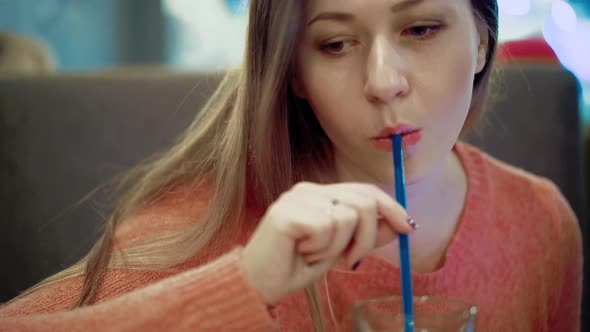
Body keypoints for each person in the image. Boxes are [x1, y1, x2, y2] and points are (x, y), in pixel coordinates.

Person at [0, 0, 582, 331]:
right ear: (295, 73)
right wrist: (246, 284)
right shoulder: (199, 226)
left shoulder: (542, 224)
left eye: (422, 28)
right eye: (334, 45)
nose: (383, 83)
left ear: (483, 41)